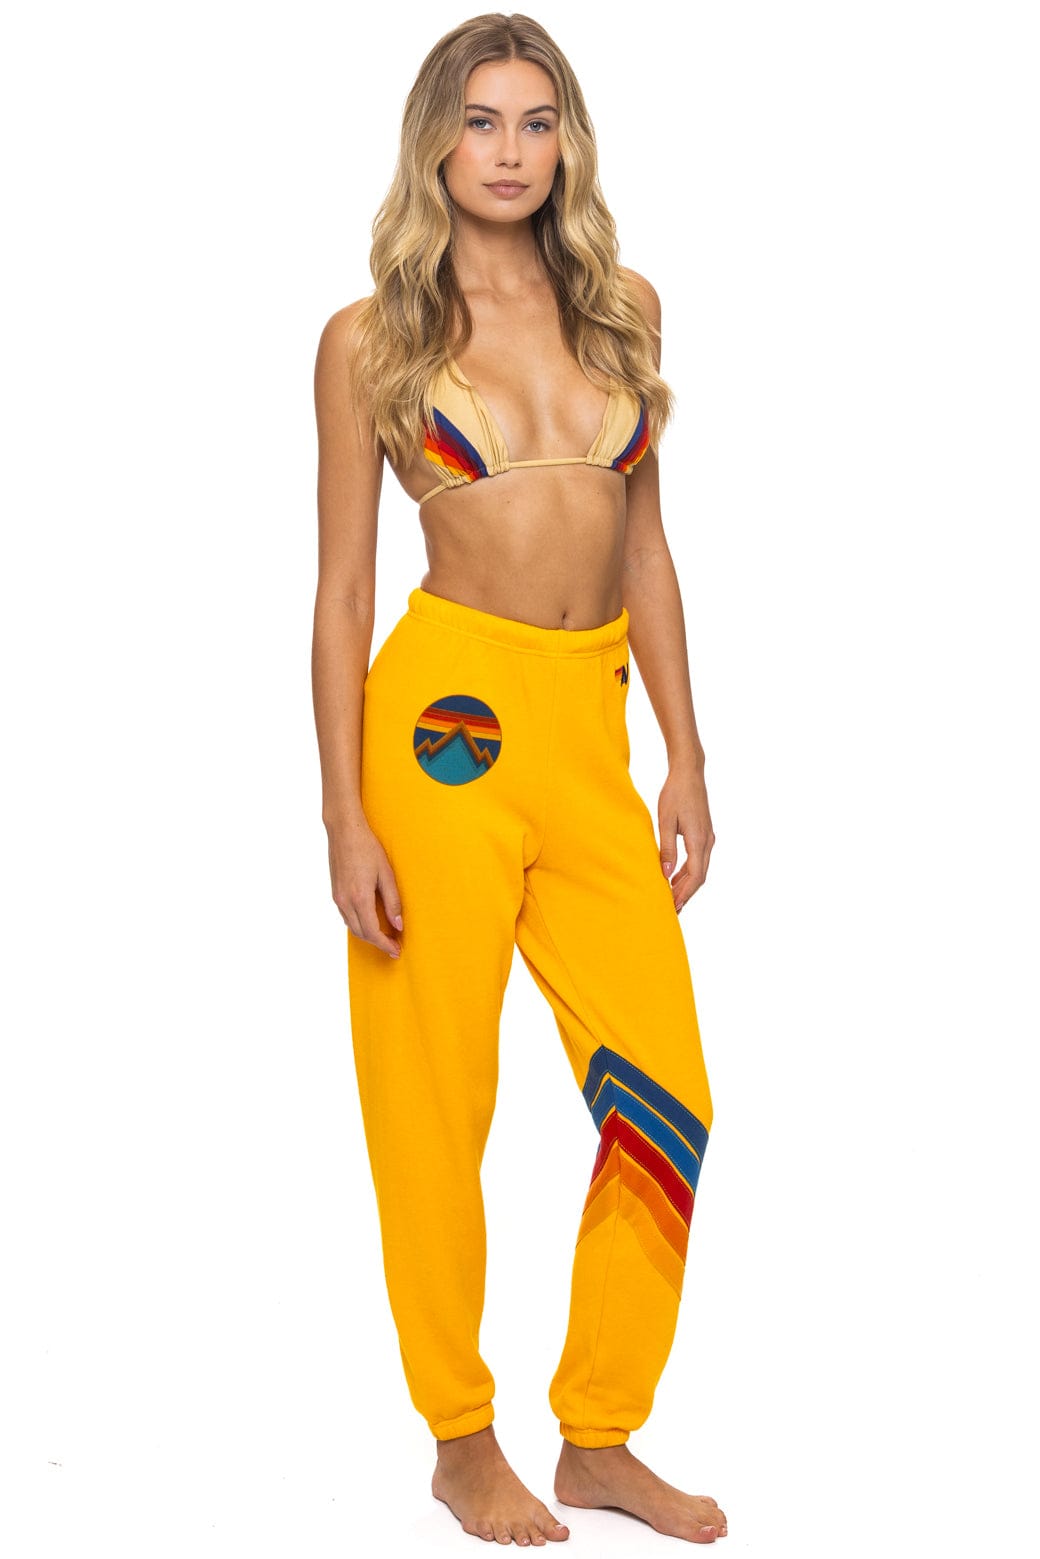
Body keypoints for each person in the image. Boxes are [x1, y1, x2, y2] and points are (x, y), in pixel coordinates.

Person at [311, 12, 726, 1547]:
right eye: (480, 121)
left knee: (666, 1095)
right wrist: (344, 816)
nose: (508, 150)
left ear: (568, 142)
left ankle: (599, 1433)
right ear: (436, 141)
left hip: (589, 725)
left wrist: (686, 750)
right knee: (436, 1096)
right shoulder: (373, 338)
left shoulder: (623, 309)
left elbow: (649, 550)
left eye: (535, 122)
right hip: (444, 732)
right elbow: (343, 594)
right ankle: (460, 1436)